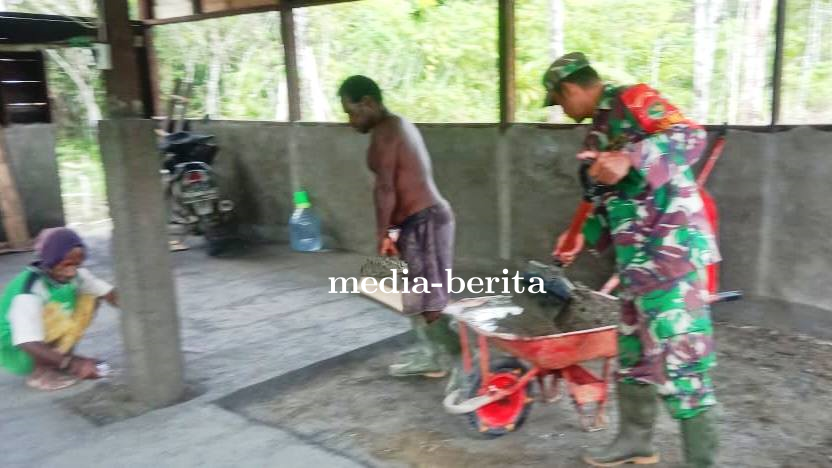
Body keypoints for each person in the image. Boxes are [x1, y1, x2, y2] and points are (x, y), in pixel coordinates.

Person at [544, 53, 721, 467]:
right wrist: (580, 237)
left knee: (683, 361)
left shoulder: (633, 100)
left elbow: (691, 136)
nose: (562, 111)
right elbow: (612, 201)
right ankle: (635, 442)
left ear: (570, 89)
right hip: (635, 265)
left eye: (559, 101)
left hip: (671, 256)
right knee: (632, 358)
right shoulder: (596, 136)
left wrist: (633, 157)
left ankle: (703, 461)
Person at [338, 75, 459, 379]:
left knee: (423, 294)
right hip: (418, 222)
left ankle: (446, 358)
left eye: (352, 112)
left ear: (368, 102)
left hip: (425, 220)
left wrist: (383, 234)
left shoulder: (387, 131)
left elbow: (386, 189)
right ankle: (436, 349)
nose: (351, 121)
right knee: (412, 291)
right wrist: (393, 232)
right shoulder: (393, 127)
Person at [0, 228, 118, 390]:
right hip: (18, 350)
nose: (71, 272)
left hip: (36, 341)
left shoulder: (76, 275)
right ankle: (41, 372)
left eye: (76, 265)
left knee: (90, 297)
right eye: (66, 265)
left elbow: (109, 293)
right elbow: (27, 341)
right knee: (56, 313)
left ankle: (59, 359)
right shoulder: (29, 291)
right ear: (51, 260)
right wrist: (74, 365)